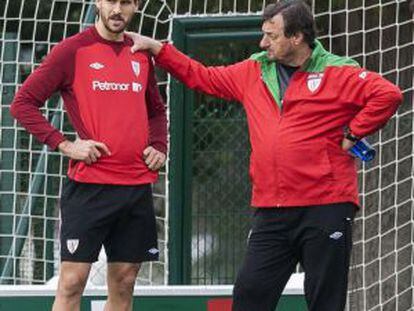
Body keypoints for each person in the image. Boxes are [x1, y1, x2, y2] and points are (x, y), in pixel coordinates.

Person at [128, 1, 403, 310]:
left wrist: (354, 133)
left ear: (297, 37)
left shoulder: (338, 70)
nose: (263, 42)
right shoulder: (253, 70)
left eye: (271, 36)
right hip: (271, 210)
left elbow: (388, 94)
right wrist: (158, 49)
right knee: (248, 297)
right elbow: (201, 76)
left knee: (326, 302)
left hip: (327, 206)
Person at [10, 0, 167, 310]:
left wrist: (160, 145)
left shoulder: (141, 53)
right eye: (111, 1)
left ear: (136, 5)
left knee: (124, 282)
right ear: (98, 1)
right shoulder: (72, 51)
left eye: (126, 2)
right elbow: (23, 103)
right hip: (89, 187)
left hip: (135, 187)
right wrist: (66, 145)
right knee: (71, 283)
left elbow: (156, 110)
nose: (117, 10)